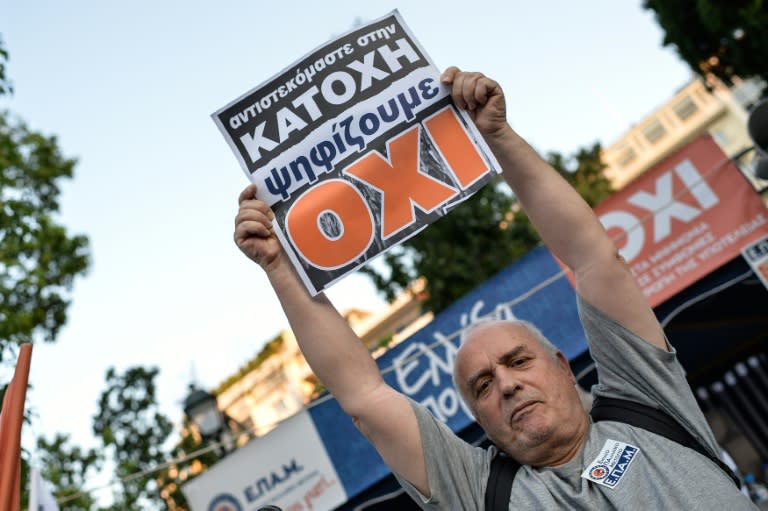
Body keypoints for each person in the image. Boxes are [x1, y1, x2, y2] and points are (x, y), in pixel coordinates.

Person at [234, 67, 756, 509]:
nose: (505, 385)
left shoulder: (647, 400)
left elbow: (595, 259)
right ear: (478, 419)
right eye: (482, 386)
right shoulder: (481, 493)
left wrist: (498, 137)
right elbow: (364, 397)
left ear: (560, 361)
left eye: (518, 361)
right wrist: (281, 268)